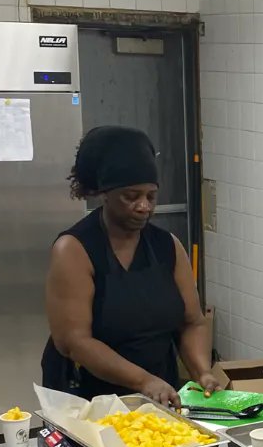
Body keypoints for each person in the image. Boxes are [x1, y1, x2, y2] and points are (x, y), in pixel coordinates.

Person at [42, 126, 218, 406]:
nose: (143, 206)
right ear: (106, 194)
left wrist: (202, 372)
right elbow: (73, 341)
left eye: (151, 196)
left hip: (159, 395)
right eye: (131, 196)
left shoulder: (167, 246)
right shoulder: (74, 249)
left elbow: (192, 322)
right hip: (88, 399)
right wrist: (143, 381)